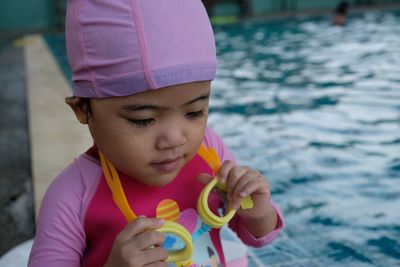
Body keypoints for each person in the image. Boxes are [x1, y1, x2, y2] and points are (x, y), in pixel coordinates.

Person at [28, 0, 284, 266]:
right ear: (82, 110)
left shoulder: (209, 149)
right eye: (143, 120)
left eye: (194, 112)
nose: (175, 139)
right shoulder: (71, 195)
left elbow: (261, 233)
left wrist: (258, 213)